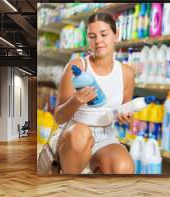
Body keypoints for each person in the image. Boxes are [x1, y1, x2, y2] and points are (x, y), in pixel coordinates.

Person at [49, 12, 135, 174]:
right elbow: (59, 117)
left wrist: (126, 117)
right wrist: (76, 100)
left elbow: (127, 111)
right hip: (73, 133)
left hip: (105, 135)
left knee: (123, 167)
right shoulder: (77, 67)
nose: (98, 41)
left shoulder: (126, 73)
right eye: (92, 36)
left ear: (116, 35)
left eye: (104, 34)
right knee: (81, 134)